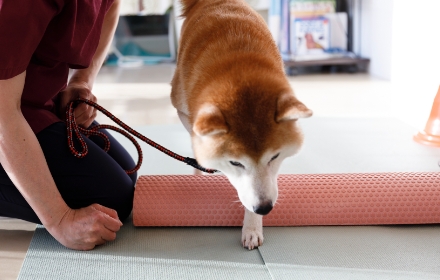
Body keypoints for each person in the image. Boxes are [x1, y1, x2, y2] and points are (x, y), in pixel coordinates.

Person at [0, 0, 137, 250]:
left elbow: (111, 5)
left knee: (125, 178)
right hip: (5, 107)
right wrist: (60, 219)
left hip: (34, 100)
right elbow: (1, 113)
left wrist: (81, 81)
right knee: (107, 195)